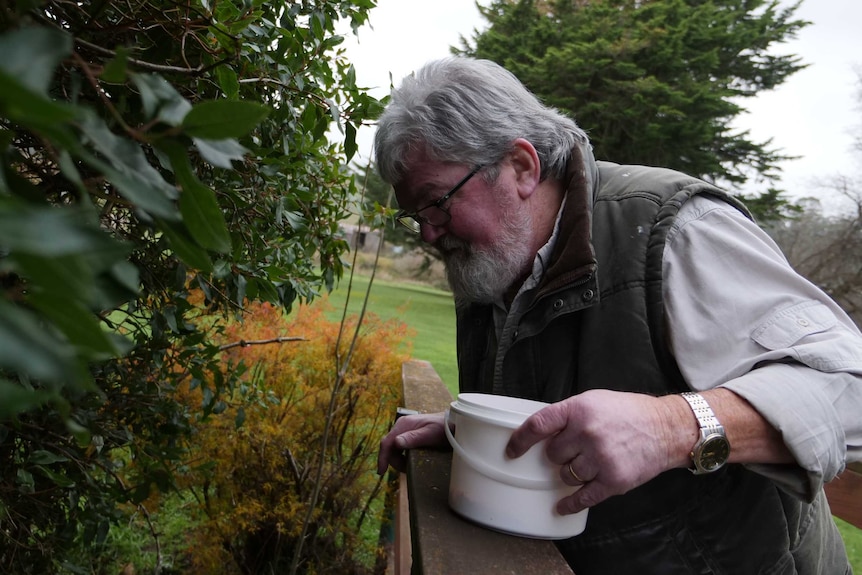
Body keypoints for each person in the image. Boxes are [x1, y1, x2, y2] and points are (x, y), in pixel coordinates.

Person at [374, 57, 862, 574]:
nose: (428, 234)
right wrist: (473, 428)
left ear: (520, 166)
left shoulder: (670, 229)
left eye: (437, 203)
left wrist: (671, 426)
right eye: (416, 216)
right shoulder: (491, 264)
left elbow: (848, 386)